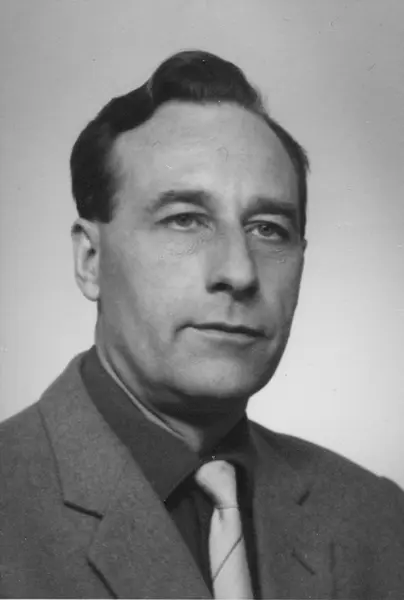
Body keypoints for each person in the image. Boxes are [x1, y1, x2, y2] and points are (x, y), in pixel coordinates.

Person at [0, 50, 403, 600]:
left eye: (268, 228)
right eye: (185, 220)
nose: (239, 272)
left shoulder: (378, 519)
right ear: (90, 261)